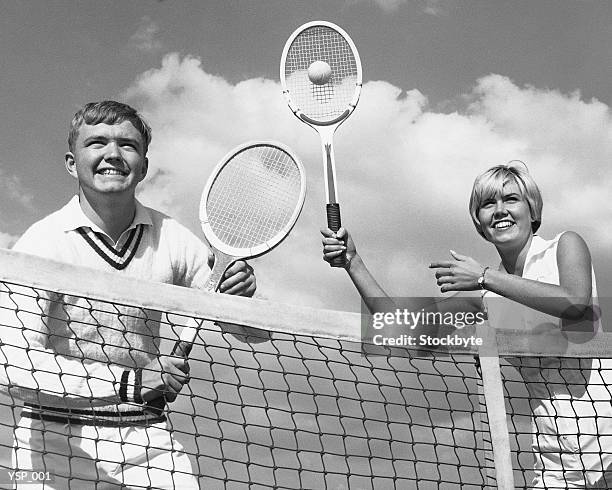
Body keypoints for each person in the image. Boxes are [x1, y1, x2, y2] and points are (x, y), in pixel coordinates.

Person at [2, 100, 256, 489]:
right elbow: (14, 365)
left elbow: (248, 332)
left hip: (145, 437)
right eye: (97, 142)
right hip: (44, 442)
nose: (113, 155)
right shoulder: (41, 241)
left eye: (128, 145)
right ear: (72, 163)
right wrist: (129, 383)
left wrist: (241, 298)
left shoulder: (171, 236)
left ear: (144, 166)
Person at [321, 162, 612, 488]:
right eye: (488, 203)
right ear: (480, 223)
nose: (500, 210)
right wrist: (353, 262)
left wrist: (485, 276)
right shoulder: (484, 297)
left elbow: (574, 302)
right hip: (555, 466)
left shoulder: (565, 246)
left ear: (533, 210)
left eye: (511, 199)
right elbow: (399, 328)